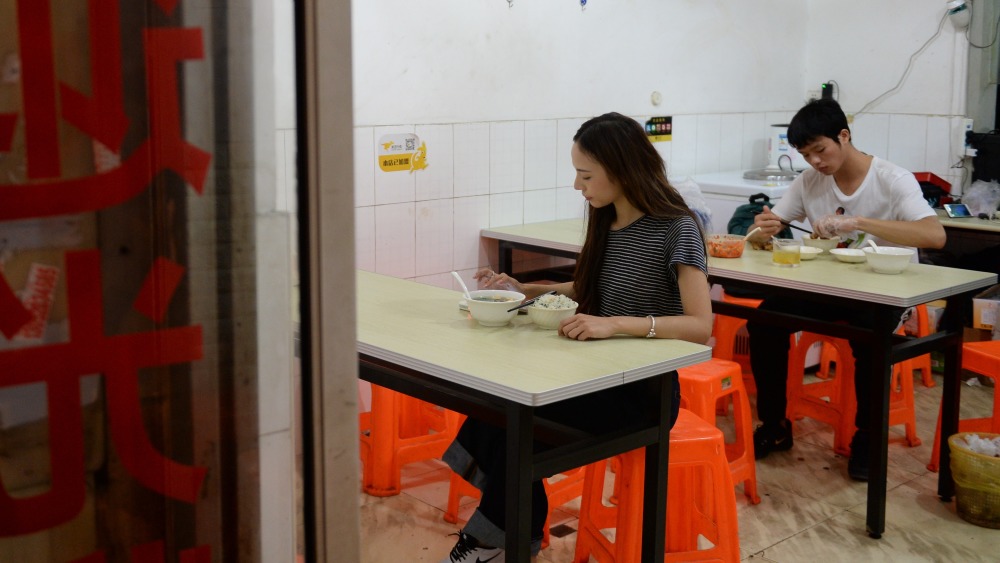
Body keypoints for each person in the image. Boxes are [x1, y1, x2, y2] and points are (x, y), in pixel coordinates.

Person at [438, 112, 713, 562]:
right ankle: (502, 535)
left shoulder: (676, 227)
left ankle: (495, 539)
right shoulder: (606, 221)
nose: (577, 186)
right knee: (499, 409)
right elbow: (589, 287)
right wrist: (525, 290)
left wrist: (614, 324)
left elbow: (701, 327)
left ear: (622, 169)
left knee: (515, 429)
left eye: (585, 175)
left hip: (643, 392)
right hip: (594, 375)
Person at [745, 98, 946, 481]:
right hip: (829, 289)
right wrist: (762, 229)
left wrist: (858, 221)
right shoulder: (809, 181)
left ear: (844, 135)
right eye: (806, 155)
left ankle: (869, 437)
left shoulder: (892, 178)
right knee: (764, 319)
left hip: (885, 292)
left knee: (871, 340)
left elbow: (933, 235)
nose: (815, 162)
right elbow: (761, 232)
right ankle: (774, 425)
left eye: (820, 150)